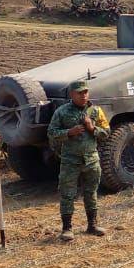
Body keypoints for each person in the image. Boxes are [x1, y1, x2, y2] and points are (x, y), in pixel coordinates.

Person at [48, 80, 110, 241]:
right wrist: (69, 132)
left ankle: (92, 225)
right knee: (67, 194)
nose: (84, 96)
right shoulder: (62, 112)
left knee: (91, 192)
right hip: (70, 160)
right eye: (79, 93)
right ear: (72, 94)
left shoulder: (95, 111)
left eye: (85, 92)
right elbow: (52, 132)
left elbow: (107, 132)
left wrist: (92, 129)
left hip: (91, 159)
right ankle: (67, 229)